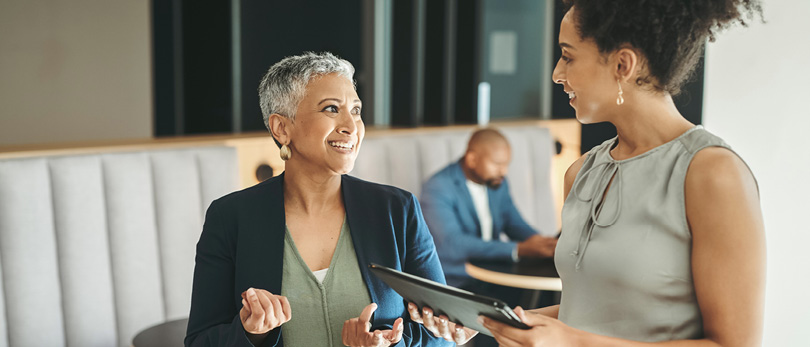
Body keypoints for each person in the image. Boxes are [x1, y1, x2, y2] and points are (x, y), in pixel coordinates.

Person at [417, 0, 766, 345]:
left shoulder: (712, 173)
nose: (556, 73)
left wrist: (572, 343)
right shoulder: (581, 173)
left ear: (622, 64)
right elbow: (585, 313)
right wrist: (484, 322)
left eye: (568, 56)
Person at [184, 52, 453, 347]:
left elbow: (442, 333)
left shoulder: (398, 210)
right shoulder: (230, 217)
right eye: (331, 109)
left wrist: (391, 345)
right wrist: (251, 334)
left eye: (357, 110)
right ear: (281, 128)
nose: (351, 126)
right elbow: (200, 341)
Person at [420, 128, 558, 290]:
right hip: (457, 280)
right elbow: (453, 244)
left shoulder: (497, 182)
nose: (504, 171)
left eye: (506, 164)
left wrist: (543, 243)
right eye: (497, 164)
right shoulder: (438, 187)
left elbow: (513, 222)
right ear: (472, 159)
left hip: (494, 274)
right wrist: (519, 249)